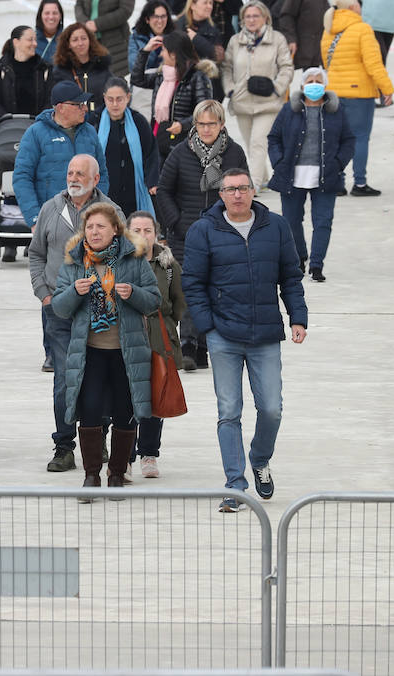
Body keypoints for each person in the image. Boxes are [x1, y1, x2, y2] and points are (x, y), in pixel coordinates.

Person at [182, 167, 308, 513]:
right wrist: (208, 328)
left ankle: (260, 458)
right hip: (223, 335)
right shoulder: (203, 230)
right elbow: (192, 283)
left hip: (265, 333)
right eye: (230, 189)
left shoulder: (276, 227)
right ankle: (235, 485)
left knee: (271, 407)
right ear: (220, 194)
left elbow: (291, 276)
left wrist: (298, 317)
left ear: (253, 191)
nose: (237, 194)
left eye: (243, 188)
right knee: (229, 412)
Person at [50, 203, 159, 497]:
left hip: (127, 351)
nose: (94, 232)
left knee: (125, 412)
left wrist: (133, 293)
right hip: (90, 351)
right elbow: (59, 307)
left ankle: (117, 474)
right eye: (90, 227)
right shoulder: (74, 262)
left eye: (101, 226)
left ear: (115, 230)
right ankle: (90, 476)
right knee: (90, 411)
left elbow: (154, 300)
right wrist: (75, 291)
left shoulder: (134, 260)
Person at [28, 154, 120, 472]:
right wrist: (44, 293)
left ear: (95, 179)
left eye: (81, 172)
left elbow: (125, 255)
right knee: (66, 381)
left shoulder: (111, 212)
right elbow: (36, 253)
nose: (74, 177)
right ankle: (64, 446)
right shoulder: (51, 209)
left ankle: (98, 438)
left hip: (100, 313)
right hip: (59, 311)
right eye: (70, 171)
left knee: (101, 379)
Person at [155, 99, 248, 367]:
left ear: (221, 124)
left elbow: (242, 189)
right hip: (186, 235)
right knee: (189, 289)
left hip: (223, 233)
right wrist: (177, 223)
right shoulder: (181, 152)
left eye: (211, 123)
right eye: (201, 124)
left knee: (216, 290)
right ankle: (188, 346)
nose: (206, 129)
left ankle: (205, 347)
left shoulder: (234, 154)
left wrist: (233, 223)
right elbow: (164, 190)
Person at [267, 67, 356, 283]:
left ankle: (317, 265)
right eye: (310, 81)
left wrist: (337, 164)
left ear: (325, 85)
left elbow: (349, 140)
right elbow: (274, 137)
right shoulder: (289, 110)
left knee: (323, 221)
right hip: (292, 175)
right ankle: (299, 258)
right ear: (302, 85)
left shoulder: (337, 110)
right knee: (291, 221)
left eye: (318, 81)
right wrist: (279, 162)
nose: (314, 84)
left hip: (326, 175)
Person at [125, 210, 188, 473]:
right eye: (136, 230)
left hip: (158, 334)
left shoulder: (168, 266)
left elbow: (178, 304)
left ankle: (149, 454)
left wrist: (168, 330)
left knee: (155, 395)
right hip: (127, 335)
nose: (142, 235)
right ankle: (125, 456)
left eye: (147, 230)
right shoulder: (119, 262)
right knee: (126, 398)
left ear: (156, 234)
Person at [321, 0, 394, 197]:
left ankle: (338, 183)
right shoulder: (362, 29)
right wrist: (387, 89)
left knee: (337, 139)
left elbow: (326, 62)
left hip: (333, 93)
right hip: (358, 94)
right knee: (360, 138)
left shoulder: (328, 30)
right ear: (353, 7)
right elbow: (373, 64)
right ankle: (360, 183)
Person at [13, 81, 109, 229]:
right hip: (51, 220)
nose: (85, 108)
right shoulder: (35, 133)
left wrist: (98, 209)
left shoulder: (89, 132)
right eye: (78, 105)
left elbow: (101, 173)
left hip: (87, 220)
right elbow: (22, 177)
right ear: (61, 108)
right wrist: (34, 218)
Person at [222, 0, 293, 188]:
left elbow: (286, 66)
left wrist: (278, 88)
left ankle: (252, 186)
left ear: (265, 18)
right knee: (249, 143)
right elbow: (227, 68)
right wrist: (230, 89)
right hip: (242, 101)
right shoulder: (236, 41)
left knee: (258, 142)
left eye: (256, 16)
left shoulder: (277, 39)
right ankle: (263, 177)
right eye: (248, 16)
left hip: (268, 102)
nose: (251, 20)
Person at [134, 31, 213, 158]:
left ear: (173, 54)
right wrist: (145, 52)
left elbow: (205, 112)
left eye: (163, 50)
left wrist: (182, 125)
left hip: (185, 143)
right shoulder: (162, 75)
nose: (161, 54)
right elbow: (137, 79)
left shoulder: (197, 77)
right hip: (159, 138)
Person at [98, 78, 158, 218]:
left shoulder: (139, 122)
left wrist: (152, 181)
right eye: (110, 99)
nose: (114, 104)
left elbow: (151, 154)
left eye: (119, 99)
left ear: (128, 97)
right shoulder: (95, 121)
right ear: (104, 98)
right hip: (105, 191)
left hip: (132, 191)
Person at [48, 23, 114, 123]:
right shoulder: (60, 72)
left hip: (102, 122)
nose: (80, 43)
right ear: (68, 44)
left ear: (90, 40)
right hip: (72, 124)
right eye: (75, 40)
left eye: (83, 38)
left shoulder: (102, 67)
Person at [0, 25, 47, 119]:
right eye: (30, 40)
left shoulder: (45, 68)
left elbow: (50, 100)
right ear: (16, 42)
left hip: (38, 126)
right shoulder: (1, 68)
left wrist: (40, 121)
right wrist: (6, 119)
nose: (35, 44)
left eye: (35, 40)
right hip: (9, 128)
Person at [176, 0, 226, 100]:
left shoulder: (214, 30)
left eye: (211, 3)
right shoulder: (177, 27)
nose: (209, 6)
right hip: (181, 88)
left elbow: (218, 56)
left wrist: (196, 38)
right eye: (205, 3)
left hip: (207, 88)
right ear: (193, 5)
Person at [128, 0, 172, 85]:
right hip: (144, 88)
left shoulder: (175, 36)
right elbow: (134, 69)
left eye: (163, 16)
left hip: (168, 85)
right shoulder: (135, 38)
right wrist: (147, 50)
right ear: (147, 19)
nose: (160, 21)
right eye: (156, 17)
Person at [34, 0, 65, 65]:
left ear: (60, 16)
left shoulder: (68, 40)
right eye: (47, 13)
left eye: (55, 13)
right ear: (40, 15)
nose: (51, 17)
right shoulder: (31, 40)